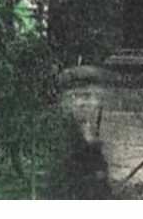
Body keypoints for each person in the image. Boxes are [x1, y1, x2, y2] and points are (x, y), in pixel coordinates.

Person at [53, 65, 113, 200]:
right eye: (81, 96)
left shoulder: (88, 131)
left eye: (94, 96)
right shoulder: (60, 137)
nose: (89, 103)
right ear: (64, 99)